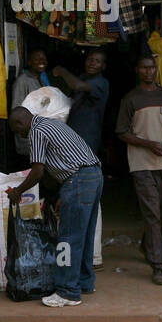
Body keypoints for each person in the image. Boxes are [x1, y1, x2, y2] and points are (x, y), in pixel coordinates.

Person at [7, 106, 102, 308]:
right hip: (94, 176)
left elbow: (38, 170)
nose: (20, 136)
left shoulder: (37, 131)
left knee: (67, 238)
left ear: (20, 123)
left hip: (77, 180)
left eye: (18, 132)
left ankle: (67, 292)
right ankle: (84, 283)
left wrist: (18, 191)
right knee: (83, 235)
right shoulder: (51, 123)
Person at [116, 56, 162, 287]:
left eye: (151, 67)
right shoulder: (130, 99)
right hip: (141, 162)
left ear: (156, 69)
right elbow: (122, 132)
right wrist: (148, 143)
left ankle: (148, 243)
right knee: (152, 211)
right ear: (138, 70)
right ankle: (158, 265)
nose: (148, 71)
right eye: (144, 67)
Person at [53, 49, 109, 268]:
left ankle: (94, 256)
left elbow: (76, 86)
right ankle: (85, 254)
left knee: (90, 201)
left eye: (98, 61)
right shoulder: (84, 79)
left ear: (103, 66)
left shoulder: (100, 84)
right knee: (76, 199)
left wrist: (62, 71)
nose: (93, 63)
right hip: (74, 149)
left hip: (87, 151)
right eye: (90, 59)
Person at [10, 48, 50, 157]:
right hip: (29, 141)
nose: (42, 61)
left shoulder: (41, 79)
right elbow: (16, 113)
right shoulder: (22, 81)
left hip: (42, 138)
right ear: (29, 62)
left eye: (44, 59)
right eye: (37, 59)